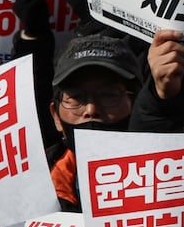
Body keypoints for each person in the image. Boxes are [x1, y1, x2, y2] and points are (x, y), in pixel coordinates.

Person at [44, 36, 143, 209]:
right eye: (75, 97)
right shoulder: (31, 188)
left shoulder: (177, 176)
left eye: (108, 95)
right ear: (56, 117)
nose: (91, 109)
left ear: (136, 105)